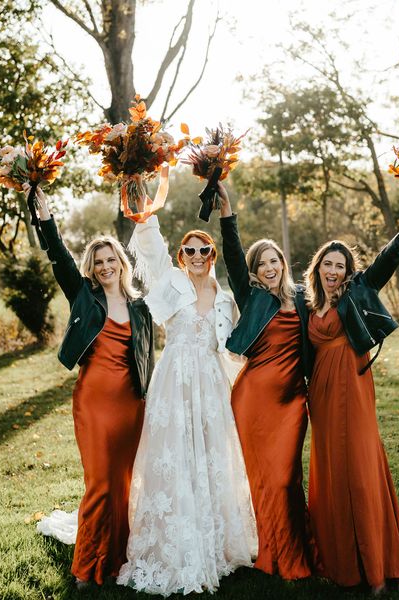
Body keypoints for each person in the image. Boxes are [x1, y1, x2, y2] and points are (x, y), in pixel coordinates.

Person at [117, 190, 257, 596]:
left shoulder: (226, 299)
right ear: (181, 257)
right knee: (174, 455)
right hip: (173, 383)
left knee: (210, 456)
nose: (197, 256)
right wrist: (144, 211)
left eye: (204, 251)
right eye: (190, 251)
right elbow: (151, 247)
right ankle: (172, 541)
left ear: (212, 256)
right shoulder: (171, 284)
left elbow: (233, 348)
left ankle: (214, 540)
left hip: (210, 387)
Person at [304, 191, 399, 593]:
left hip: (355, 387)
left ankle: (375, 562)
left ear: (347, 271)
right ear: (318, 267)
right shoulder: (305, 303)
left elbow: (389, 258)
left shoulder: (358, 291)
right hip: (320, 395)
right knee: (331, 466)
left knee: (360, 466)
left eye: (340, 266)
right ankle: (340, 559)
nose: (333, 271)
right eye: (327, 264)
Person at [30, 184, 154, 588]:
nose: (105, 267)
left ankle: (116, 558)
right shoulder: (85, 296)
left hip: (130, 404)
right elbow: (60, 259)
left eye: (110, 259)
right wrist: (46, 218)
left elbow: (145, 357)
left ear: (122, 262)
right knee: (99, 482)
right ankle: (87, 567)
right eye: (98, 262)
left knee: (122, 484)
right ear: (92, 267)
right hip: (94, 402)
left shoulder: (139, 306)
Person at [217, 182, 315, 580]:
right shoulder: (253, 296)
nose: (269, 268)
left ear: (283, 262)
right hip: (253, 399)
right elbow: (233, 257)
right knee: (266, 480)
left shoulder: (304, 298)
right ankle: (277, 555)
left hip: (293, 401)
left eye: (274, 261)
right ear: (256, 273)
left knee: (287, 478)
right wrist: (227, 212)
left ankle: (301, 548)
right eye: (262, 265)